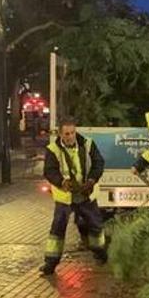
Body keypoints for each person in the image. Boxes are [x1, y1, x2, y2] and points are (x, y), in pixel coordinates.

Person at [40, 118, 106, 275]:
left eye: (72, 133)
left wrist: (91, 180)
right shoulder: (53, 149)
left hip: (85, 193)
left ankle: (101, 254)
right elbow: (49, 171)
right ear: (61, 134)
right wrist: (62, 182)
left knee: (95, 226)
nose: (70, 136)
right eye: (66, 134)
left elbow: (99, 163)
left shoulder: (88, 144)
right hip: (65, 196)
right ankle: (50, 263)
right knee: (57, 230)